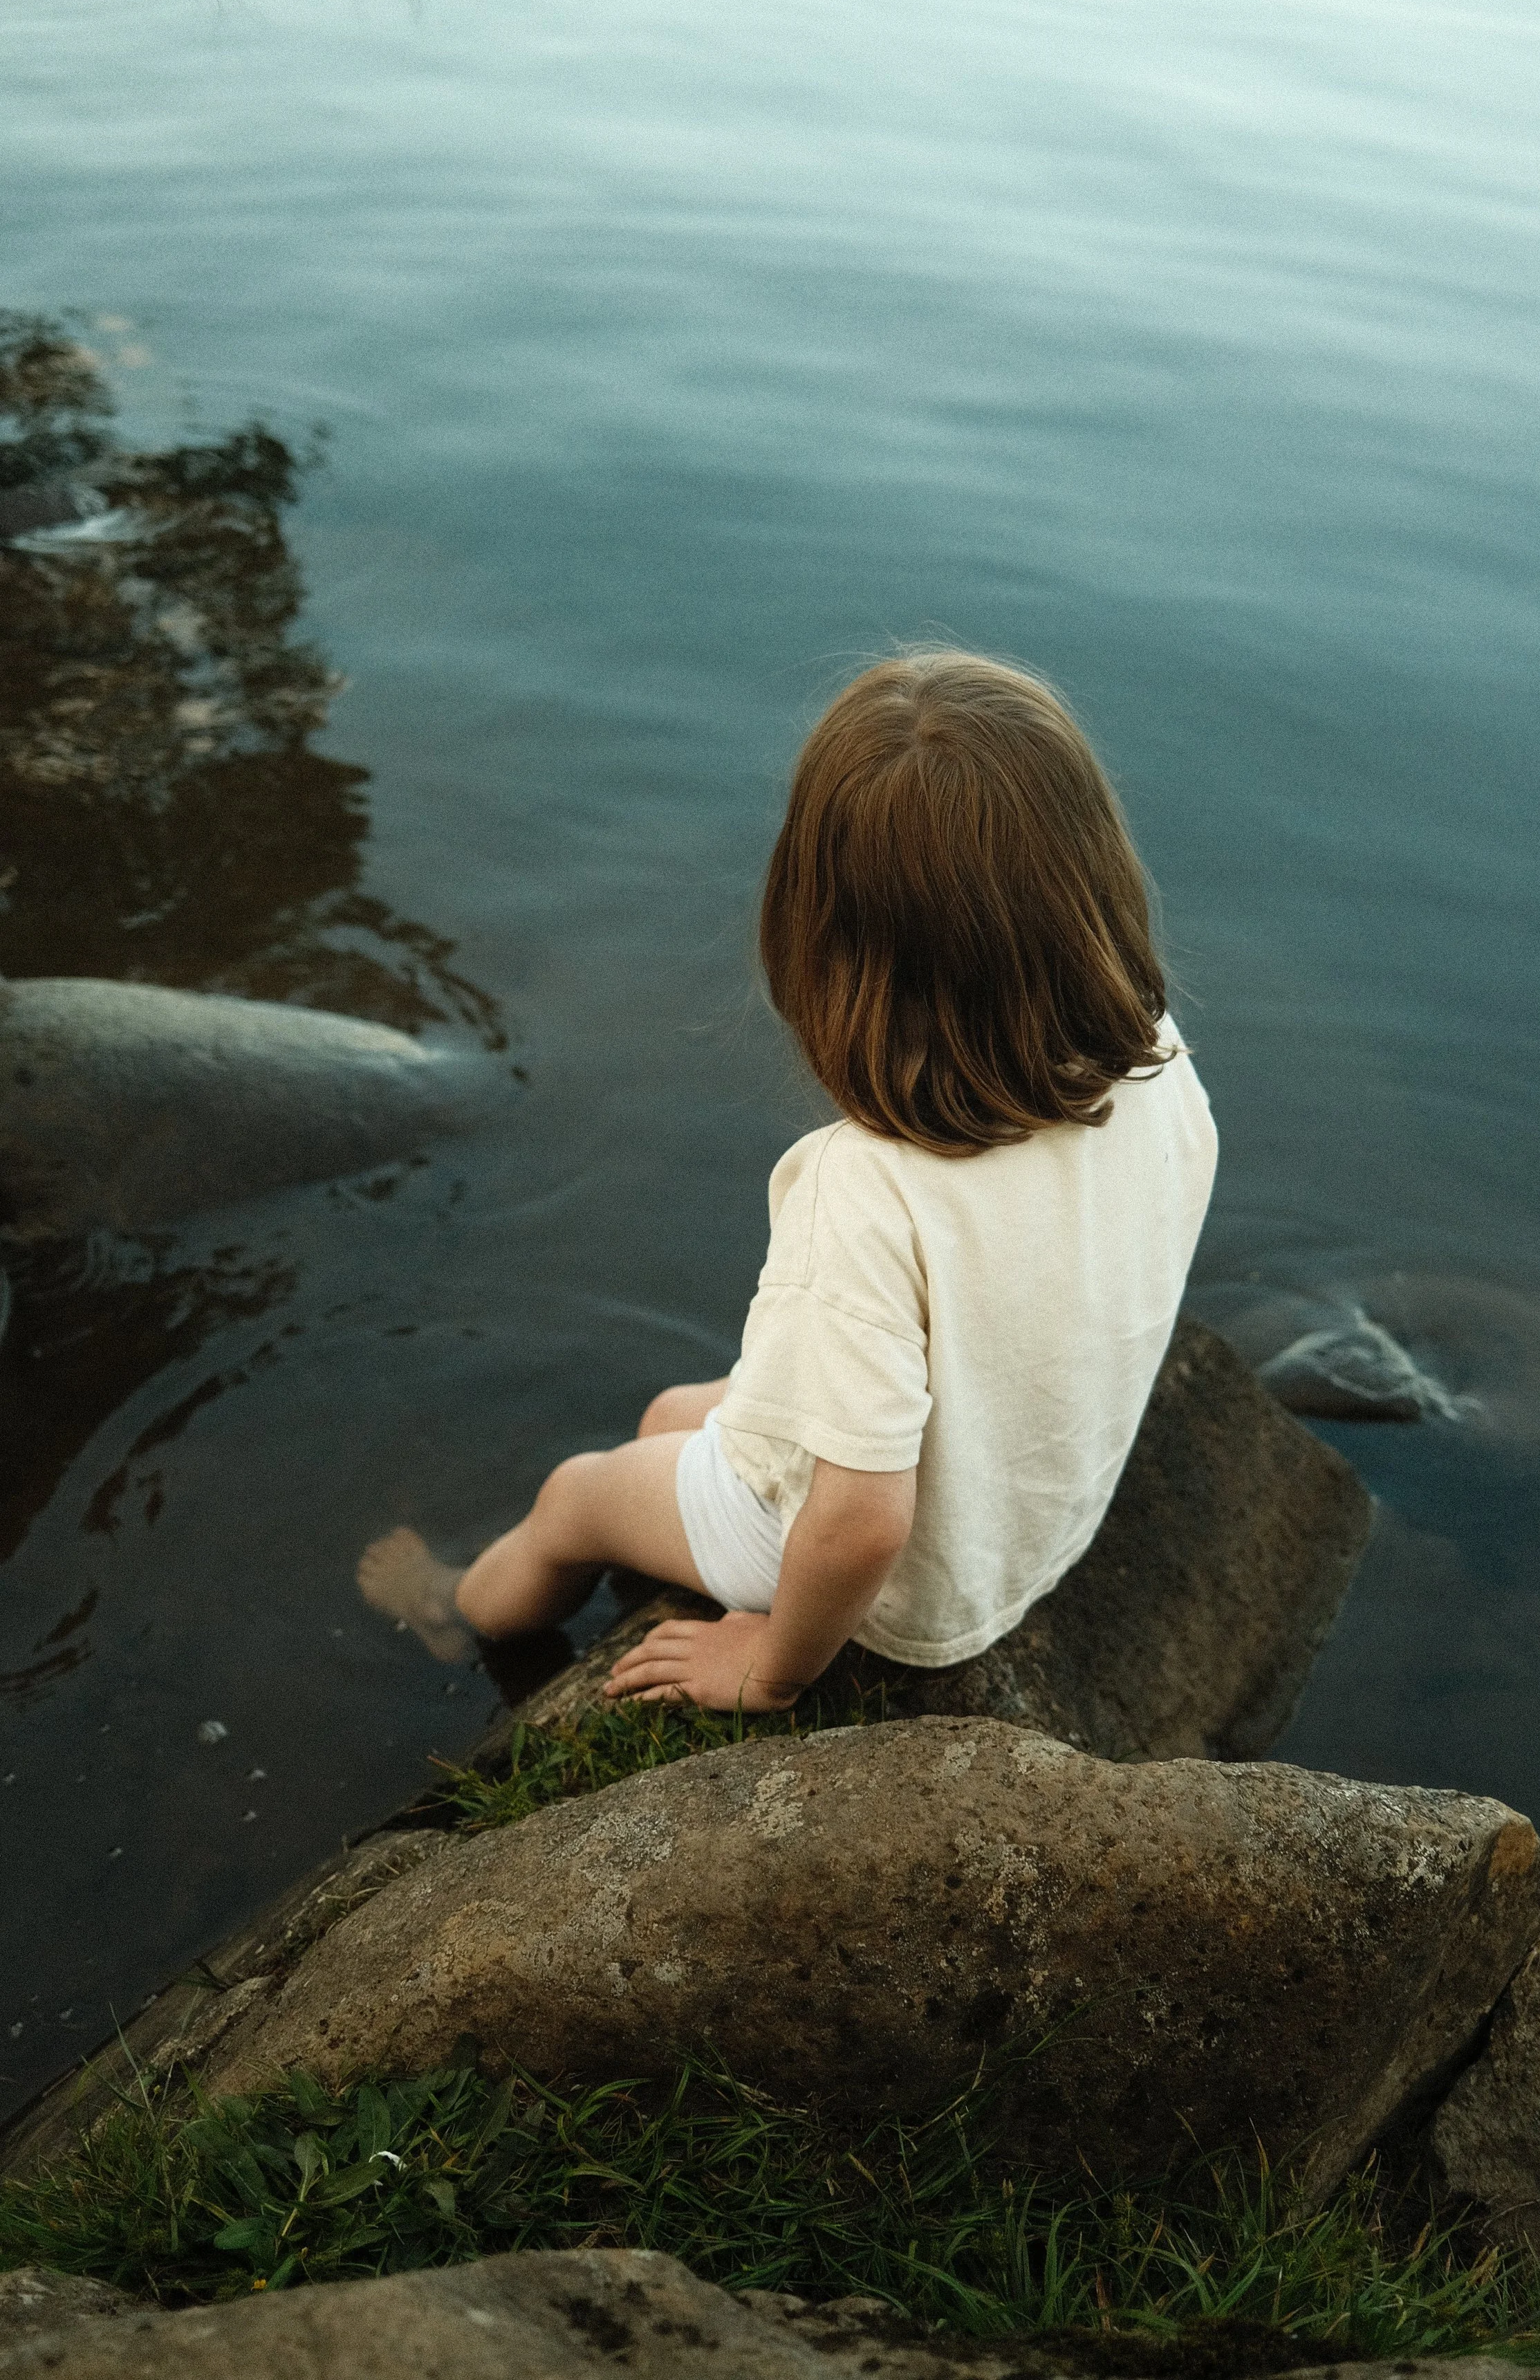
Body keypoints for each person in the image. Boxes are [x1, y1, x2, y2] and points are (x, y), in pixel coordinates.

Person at [358, 649, 1217, 1710]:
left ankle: (456, 1609)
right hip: (1030, 1509)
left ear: (830, 942)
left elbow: (860, 1521)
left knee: (575, 1494)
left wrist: (770, 1667)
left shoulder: (865, 1190)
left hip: (908, 1588)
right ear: (1092, 884)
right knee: (673, 1410)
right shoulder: (1158, 1062)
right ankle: (663, 1546)